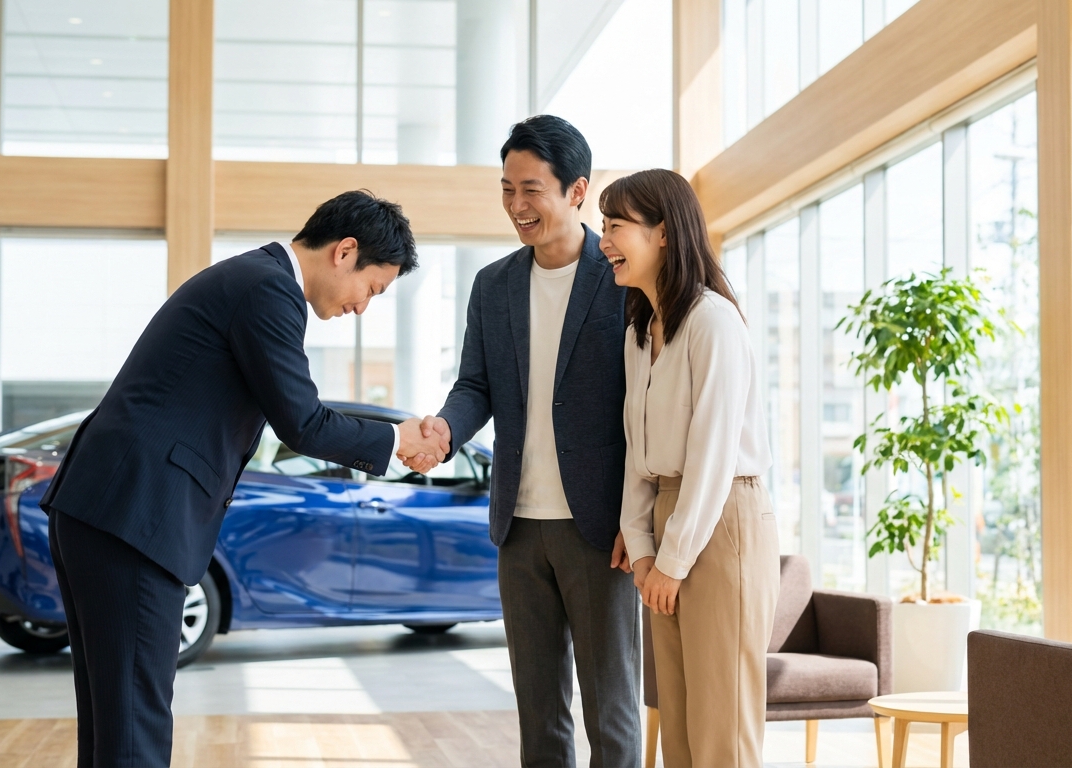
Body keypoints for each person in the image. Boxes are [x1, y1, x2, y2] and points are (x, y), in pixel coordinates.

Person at [39, 191, 449, 767]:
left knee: (116, 721)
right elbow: (302, 423)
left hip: (109, 510)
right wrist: (397, 438)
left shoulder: (254, 279)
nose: (363, 306)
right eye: (373, 288)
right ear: (345, 251)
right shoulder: (268, 289)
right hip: (134, 515)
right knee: (133, 726)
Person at [406, 115, 641, 767]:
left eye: (530, 189)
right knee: (539, 716)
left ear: (576, 191)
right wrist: (446, 430)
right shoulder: (494, 285)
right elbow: (475, 384)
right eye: (507, 188)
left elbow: (645, 409)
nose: (516, 205)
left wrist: (641, 517)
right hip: (518, 525)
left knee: (612, 710)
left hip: (601, 528)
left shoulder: (621, 279)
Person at [600, 169, 779, 768]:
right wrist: (644, 547)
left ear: (665, 234)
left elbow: (714, 452)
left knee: (720, 729)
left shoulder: (713, 321)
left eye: (616, 226)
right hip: (673, 513)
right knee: (676, 726)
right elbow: (636, 450)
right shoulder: (638, 333)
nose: (604, 241)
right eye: (603, 225)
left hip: (724, 516)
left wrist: (670, 562)